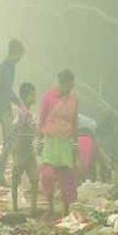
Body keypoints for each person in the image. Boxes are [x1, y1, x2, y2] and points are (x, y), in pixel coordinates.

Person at [38, 69, 79, 216]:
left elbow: (75, 122)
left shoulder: (74, 99)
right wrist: (39, 140)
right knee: (47, 175)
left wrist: (75, 144)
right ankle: (50, 206)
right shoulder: (49, 96)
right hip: (50, 141)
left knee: (66, 176)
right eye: (67, 85)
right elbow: (41, 118)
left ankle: (66, 208)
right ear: (61, 83)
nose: (69, 88)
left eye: (71, 86)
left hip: (66, 142)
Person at [0, 38, 26, 182]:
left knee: (7, 141)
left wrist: (18, 103)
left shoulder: (11, 68)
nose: (20, 59)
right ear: (14, 53)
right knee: (10, 140)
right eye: (20, 56)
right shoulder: (3, 69)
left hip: (6, 108)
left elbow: (8, 90)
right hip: (1, 109)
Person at [11, 82, 40, 215]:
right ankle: (16, 207)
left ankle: (29, 207)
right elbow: (20, 126)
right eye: (33, 94)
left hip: (26, 147)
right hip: (22, 147)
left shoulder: (26, 111)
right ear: (26, 96)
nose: (35, 97)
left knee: (33, 178)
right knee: (19, 177)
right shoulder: (23, 111)